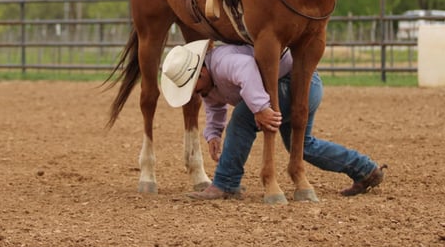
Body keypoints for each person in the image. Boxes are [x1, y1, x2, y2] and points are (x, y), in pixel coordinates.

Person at [159, 40, 386, 200]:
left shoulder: (221, 62)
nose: (194, 93)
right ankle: (365, 170)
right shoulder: (208, 86)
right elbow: (214, 108)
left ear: (201, 73)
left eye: (192, 86)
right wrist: (213, 134)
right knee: (303, 146)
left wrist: (260, 108)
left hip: (295, 83)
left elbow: (246, 68)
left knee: (241, 118)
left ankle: (226, 183)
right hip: (304, 84)